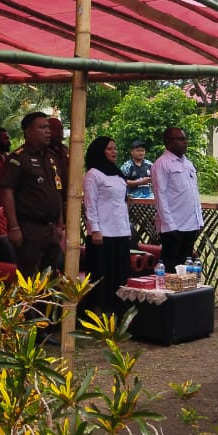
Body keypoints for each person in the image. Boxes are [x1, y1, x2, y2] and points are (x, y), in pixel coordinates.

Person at [2, 112, 64, 278]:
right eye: (42, 127)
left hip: (51, 229)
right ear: (28, 132)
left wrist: (60, 224)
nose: (48, 131)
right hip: (29, 228)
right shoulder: (18, 158)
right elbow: (8, 192)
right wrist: (14, 227)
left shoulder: (51, 157)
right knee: (29, 278)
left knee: (49, 278)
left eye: (48, 128)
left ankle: (47, 305)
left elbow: (56, 191)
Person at [82, 136, 133, 320]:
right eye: (110, 149)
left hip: (120, 231)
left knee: (119, 273)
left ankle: (117, 312)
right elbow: (90, 204)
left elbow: (122, 203)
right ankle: (97, 313)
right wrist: (95, 229)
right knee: (101, 274)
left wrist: (127, 229)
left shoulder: (118, 174)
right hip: (102, 234)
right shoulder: (93, 174)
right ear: (100, 151)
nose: (114, 152)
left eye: (115, 148)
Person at [151, 127, 204, 270]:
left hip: (191, 225)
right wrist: (169, 226)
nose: (185, 142)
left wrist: (199, 220)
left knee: (186, 269)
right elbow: (160, 196)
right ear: (168, 142)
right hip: (174, 227)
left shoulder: (188, 164)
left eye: (185, 139)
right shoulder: (161, 164)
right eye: (180, 139)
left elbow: (194, 194)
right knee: (171, 269)